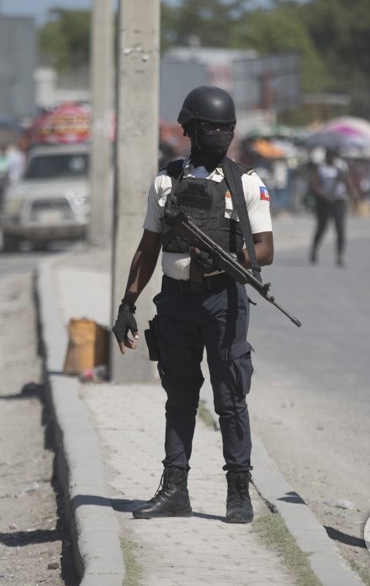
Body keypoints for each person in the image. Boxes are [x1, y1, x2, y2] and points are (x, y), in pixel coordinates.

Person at [111, 86, 274, 524]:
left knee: (230, 400)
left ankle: (238, 491)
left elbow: (264, 248)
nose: (220, 135)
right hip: (176, 302)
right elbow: (147, 248)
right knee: (179, 397)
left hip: (224, 301)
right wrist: (127, 303)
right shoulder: (166, 181)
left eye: (226, 128)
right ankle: (174, 490)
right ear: (191, 130)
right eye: (211, 128)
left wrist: (226, 257)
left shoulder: (247, 183)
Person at [308, 147, 356, 267]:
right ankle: (314, 249)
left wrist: (353, 195)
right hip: (324, 203)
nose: (331, 158)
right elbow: (315, 185)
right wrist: (324, 196)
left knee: (340, 229)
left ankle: (340, 256)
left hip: (338, 201)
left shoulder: (340, 169)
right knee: (322, 228)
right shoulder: (320, 169)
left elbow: (347, 182)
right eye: (330, 155)